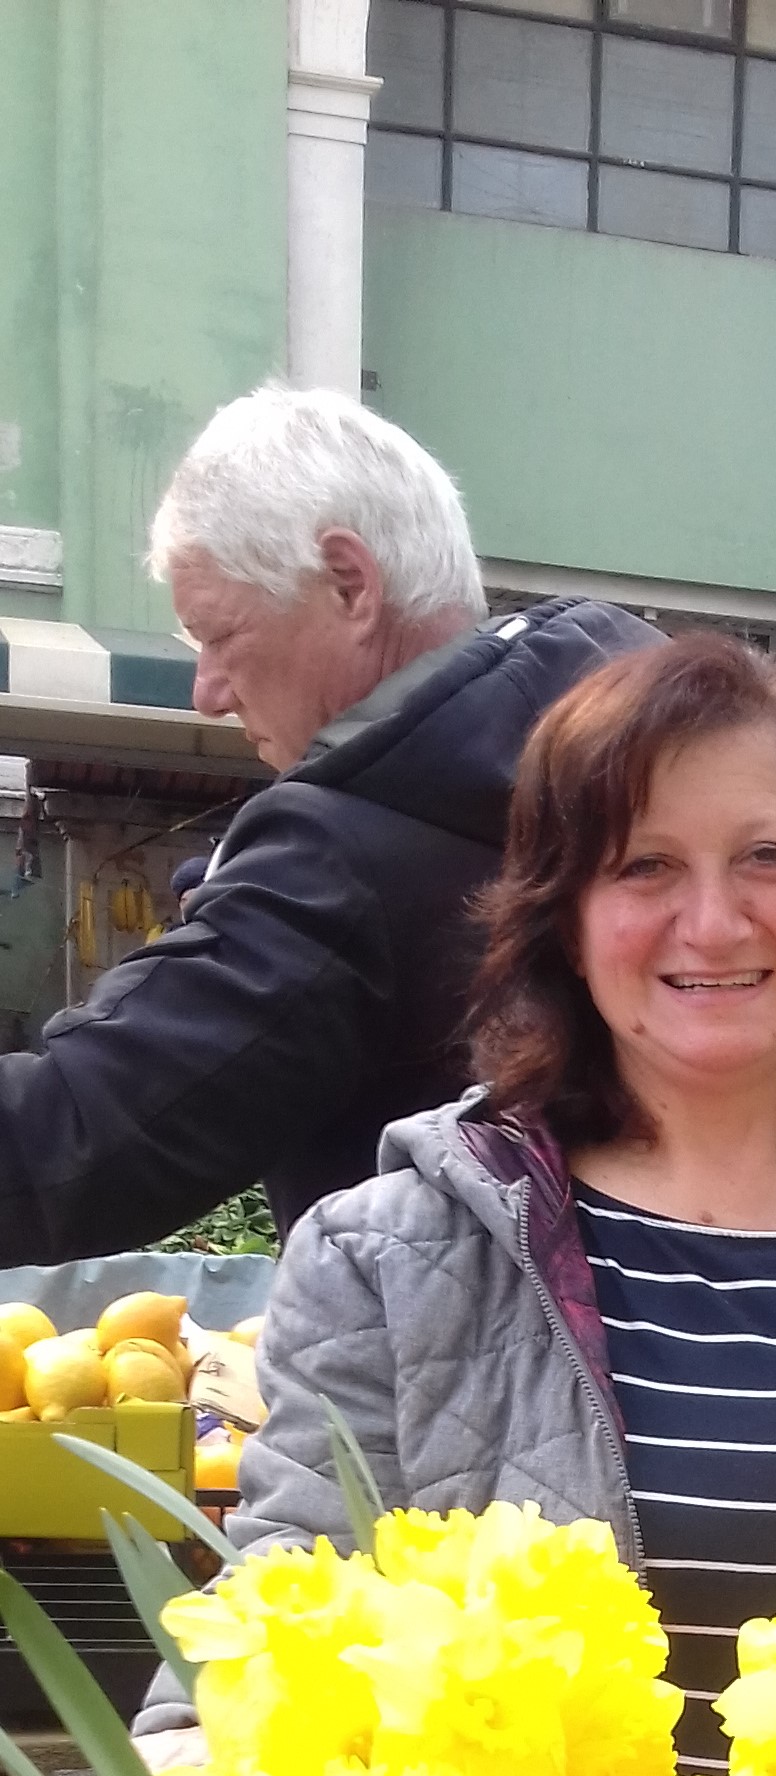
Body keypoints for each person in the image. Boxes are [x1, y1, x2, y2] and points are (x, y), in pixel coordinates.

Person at [136, 633, 776, 1776]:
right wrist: (187, 1763)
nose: (715, 922)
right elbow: (289, 1583)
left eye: (770, 857)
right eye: (644, 866)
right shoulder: (392, 1256)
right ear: (567, 920)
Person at [0, 383, 659, 1256]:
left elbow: (71, 1143)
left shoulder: (337, 853)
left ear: (350, 583)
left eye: (217, 636)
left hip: (445, 1378)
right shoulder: (652, 748)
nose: (207, 694)